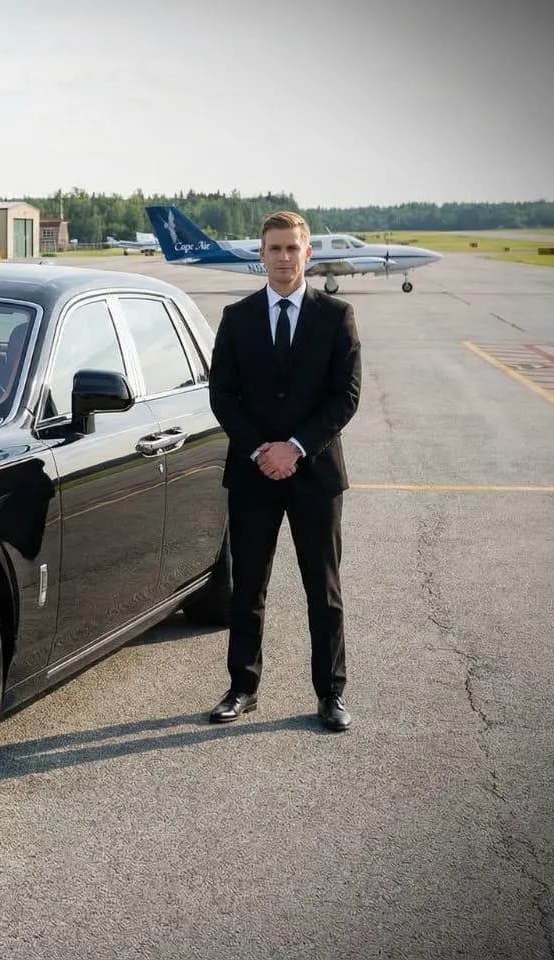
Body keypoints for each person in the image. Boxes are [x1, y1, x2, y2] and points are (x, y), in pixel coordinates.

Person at [206, 211, 362, 732]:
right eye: (274, 249)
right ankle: (242, 688)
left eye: (293, 249)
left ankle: (331, 694)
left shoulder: (336, 316)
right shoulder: (237, 316)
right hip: (253, 476)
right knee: (248, 585)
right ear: (261, 254)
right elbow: (222, 395)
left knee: (324, 589)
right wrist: (260, 450)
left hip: (315, 475)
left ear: (307, 254)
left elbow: (346, 397)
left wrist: (295, 448)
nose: (283, 258)